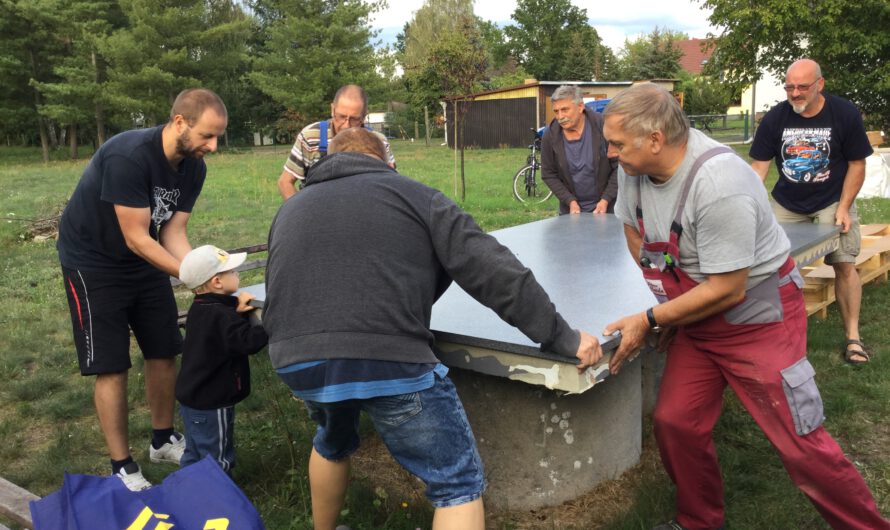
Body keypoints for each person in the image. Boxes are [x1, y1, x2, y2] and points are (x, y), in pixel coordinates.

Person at [264, 127, 603, 530]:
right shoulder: (416, 196)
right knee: (456, 485)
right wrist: (563, 336)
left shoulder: (291, 208)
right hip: (388, 359)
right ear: (390, 164)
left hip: (297, 361)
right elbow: (496, 273)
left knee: (331, 442)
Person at [602, 83, 889, 530]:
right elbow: (633, 228)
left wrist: (652, 317)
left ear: (655, 139)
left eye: (617, 144)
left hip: (756, 316)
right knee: (676, 420)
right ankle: (698, 521)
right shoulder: (632, 168)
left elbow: (728, 288)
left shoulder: (720, 183)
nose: (610, 154)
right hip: (699, 315)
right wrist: (670, 303)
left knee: (800, 439)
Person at [57, 88, 228, 491]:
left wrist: (197, 270)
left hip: (143, 260)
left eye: (218, 136)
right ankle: (121, 464)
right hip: (93, 262)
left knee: (164, 348)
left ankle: (161, 438)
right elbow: (136, 236)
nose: (214, 146)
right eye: (207, 135)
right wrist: (192, 277)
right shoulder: (129, 155)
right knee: (111, 364)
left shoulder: (193, 168)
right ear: (180, 122)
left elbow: (172, 230)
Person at [749, 58, 875, 364]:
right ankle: (770, 337)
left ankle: (853, 338)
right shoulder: (776, 118)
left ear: (820, 84)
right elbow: (758, 169)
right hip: (787, 203)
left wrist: (844, 207)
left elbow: (857, 164)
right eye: (789, 87)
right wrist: (746, 207)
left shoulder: (843, 113)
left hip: (833, 200)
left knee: (844, 263)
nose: (795, 93)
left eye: (802, 87)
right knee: (767, 268)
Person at [175, 245, 268, 474]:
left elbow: (222, 333)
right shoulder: (220, 315)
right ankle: (217, 503)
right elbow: (248, 342)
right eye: (233, 272)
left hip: (192, 399)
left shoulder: (201, 308)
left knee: (194, 454)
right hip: (212, 402)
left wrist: (238, 312)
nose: (237, 274)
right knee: (218, 460)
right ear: (217, 282)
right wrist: (270, 320)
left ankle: (184, 493)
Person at [276, 84, 396, 200]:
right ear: (332, 110)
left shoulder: (379, 142)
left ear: (364, 116)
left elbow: (392, 184)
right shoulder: (310, 137)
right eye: (341, 116)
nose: (346, 125)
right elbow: (285, 182)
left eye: (354, 119)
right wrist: (300, 211)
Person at [540, 84, 618, 215]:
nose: (560, 116)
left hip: (609, 209)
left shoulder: (603, 126)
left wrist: (606, 199)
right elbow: (548, 174)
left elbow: (620, 167)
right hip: (571, 211)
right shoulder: (550, 134)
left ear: (580, 107)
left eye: (565, 110)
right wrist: (570, 201)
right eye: (556, 111)